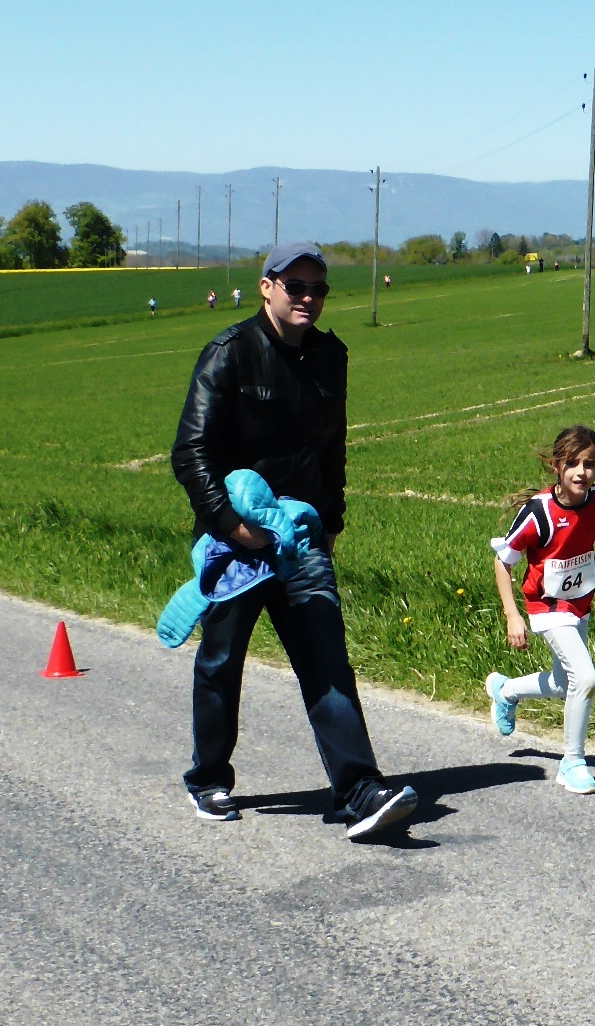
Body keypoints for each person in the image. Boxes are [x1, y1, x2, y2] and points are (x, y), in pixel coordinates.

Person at [171, 241, 418, 840]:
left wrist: (330, 524)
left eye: (319, 289)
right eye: (296, 286)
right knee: (221, 661)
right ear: (267, 287)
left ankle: (358, 790)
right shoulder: (229, 354)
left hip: (302, 543)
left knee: (327, 663)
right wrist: (231, 525)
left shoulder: (331, 356)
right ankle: (209, 779)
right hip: (236, 546)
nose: (308, 297)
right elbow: (191, 451)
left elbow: (332, 450)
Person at [486, 425, 595, 795]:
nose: (582, 472)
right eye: (573, 463)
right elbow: (503, 561)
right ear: (556, 466)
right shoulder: (539, 511)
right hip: (546, 607)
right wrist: (512, 615)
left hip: (580, 604)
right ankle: (572, 763)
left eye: (589, 464)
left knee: (566, 683)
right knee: (586, 678)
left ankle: (506, 691)